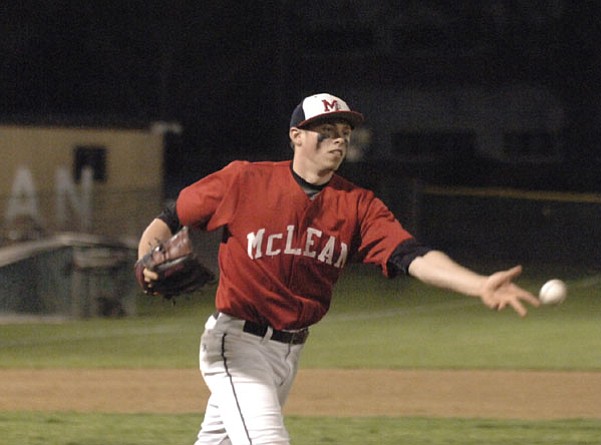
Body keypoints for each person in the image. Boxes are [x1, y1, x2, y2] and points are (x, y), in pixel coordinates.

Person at [137, 92, 540, 445]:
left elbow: (410, 254)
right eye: (326, 130)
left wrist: (478, 284)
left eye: (344, 132)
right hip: (237, 344)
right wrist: (146, 258)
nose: (338, 139)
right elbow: (171, 215)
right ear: (296, 136)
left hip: (289, 353)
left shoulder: (357, 205)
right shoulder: (245, 180)